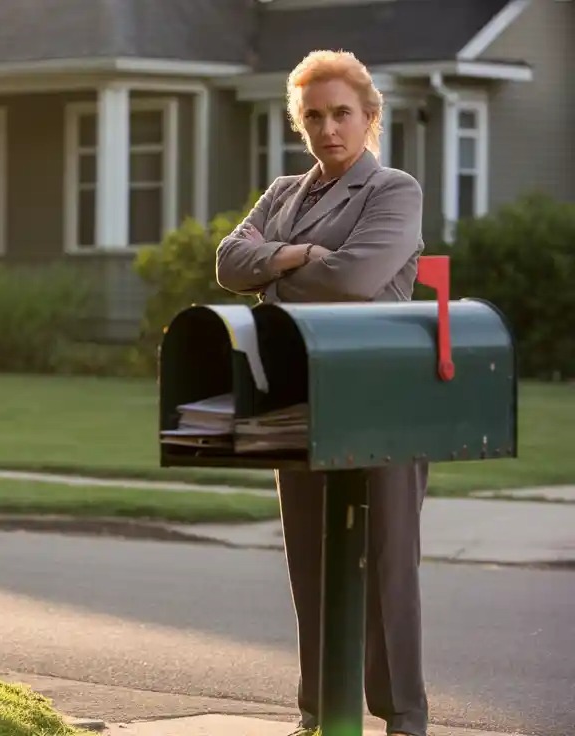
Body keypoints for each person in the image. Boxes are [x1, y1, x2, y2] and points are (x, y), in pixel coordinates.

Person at [215, 50, 429, 736]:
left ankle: (403, 718)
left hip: (382, 400)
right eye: (313, 115)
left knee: (386, 568)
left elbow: (356, 281)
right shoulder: (282, 193)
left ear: (370, 117)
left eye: (342, 113)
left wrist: (273, 272)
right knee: (309, 560)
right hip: (299, 394)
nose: (328, 127)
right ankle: (319, 716)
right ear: (298, 123)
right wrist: (295, 257)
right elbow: (226, 263)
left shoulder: (394, 190)